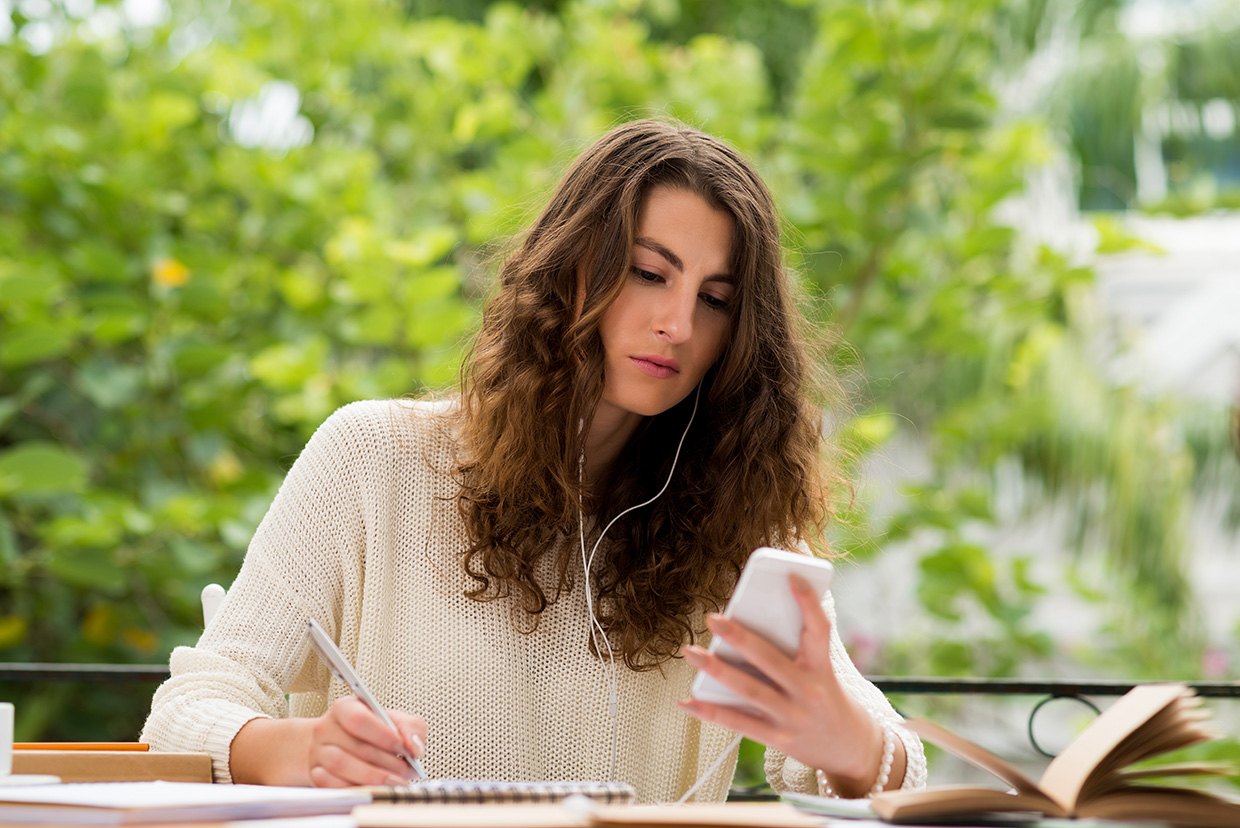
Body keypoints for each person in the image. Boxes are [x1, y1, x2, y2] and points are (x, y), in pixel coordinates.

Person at [141, 118, 927, 802]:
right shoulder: (372, 459)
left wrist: (851, 746)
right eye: (649, 273)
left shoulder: (733, 522)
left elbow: (898, 769)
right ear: (571, 267)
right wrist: (298, 750)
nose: (678, 323)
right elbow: (184, 711)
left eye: (715, 299)